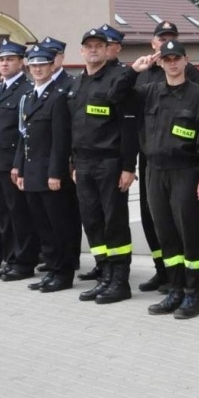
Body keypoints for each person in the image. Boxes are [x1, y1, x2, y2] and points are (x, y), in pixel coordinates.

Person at [129, 19, 199, 294]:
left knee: (188, 228)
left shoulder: (197, 89)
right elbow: (119, 99)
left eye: (176, 57)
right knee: (160, 227)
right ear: (157, 53)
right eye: (166, 56)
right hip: (154, 166)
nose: (171, 62)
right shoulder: (147, 85)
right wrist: (134, 70)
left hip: (185, 168)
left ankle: (192, 289)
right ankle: (170, 282)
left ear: (185, 60)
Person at [65, 26, 140, 305]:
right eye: (89, 46)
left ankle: (120, 280)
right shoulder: (76, 84)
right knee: (92, 222)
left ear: (108, 49)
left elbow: (129, 127)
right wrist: (72, 162)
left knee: (115, 222)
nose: (94, 50)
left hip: (110, 163)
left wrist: (128, 167)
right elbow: (74, 127)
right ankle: (105, 275)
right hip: (83, 164)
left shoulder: (118, 79)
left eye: (99, 45)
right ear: (82, 51)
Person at [15, 46, 79, 292]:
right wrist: (20, 170)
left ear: (52, 66)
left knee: (58, 225)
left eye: (43, 64)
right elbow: (25, 137)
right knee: (43, 226)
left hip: (50, 174)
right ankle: (52, 270)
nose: (38, 69)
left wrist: (56, 173)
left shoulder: (58, 96)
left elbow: (60, 141)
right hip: (32, 172)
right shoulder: (30, 97)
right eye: (33, 65)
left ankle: (63, 274)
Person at [0, 41, 37, 282]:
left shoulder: (27, 89)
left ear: (22, 62)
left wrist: (18, 164)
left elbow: (25, 132)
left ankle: (23, 263)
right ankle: (10, 259)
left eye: (10, 59)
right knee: (2, 215)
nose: (4, 63)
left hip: (11, 162)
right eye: (1, 59)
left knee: (18, 215)